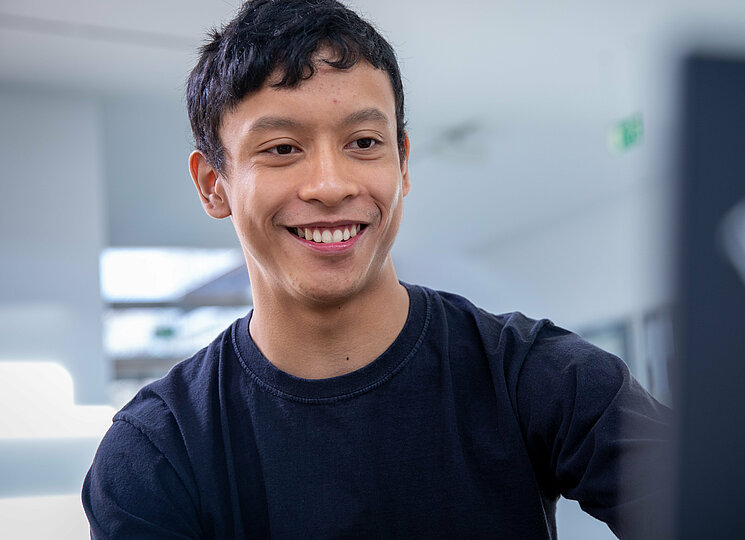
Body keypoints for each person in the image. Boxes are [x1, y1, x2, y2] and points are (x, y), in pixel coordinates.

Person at [82, 0, 673, 538]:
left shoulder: (537, 377)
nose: (331, 185)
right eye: (282, 148)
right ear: (215, 186)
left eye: (364, 142)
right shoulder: (159, 450)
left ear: (403, 162)